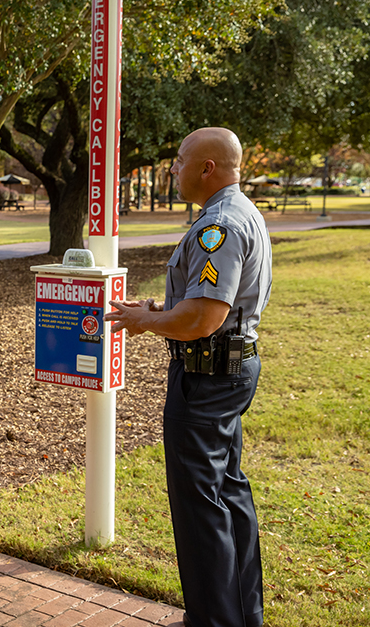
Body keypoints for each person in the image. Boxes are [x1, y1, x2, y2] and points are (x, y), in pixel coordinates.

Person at [105, 127, 271, 627]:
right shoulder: (243, 212)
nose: (172, 168)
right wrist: (158, 309)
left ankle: (214, 620)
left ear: (207, 167)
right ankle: (242, 615)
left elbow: (204, 317)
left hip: (206, 379)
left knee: (202, 510)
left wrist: (146, 321)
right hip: (230, 371)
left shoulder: (217, 224)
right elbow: (207, 304)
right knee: (228, 494)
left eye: (180, 160)